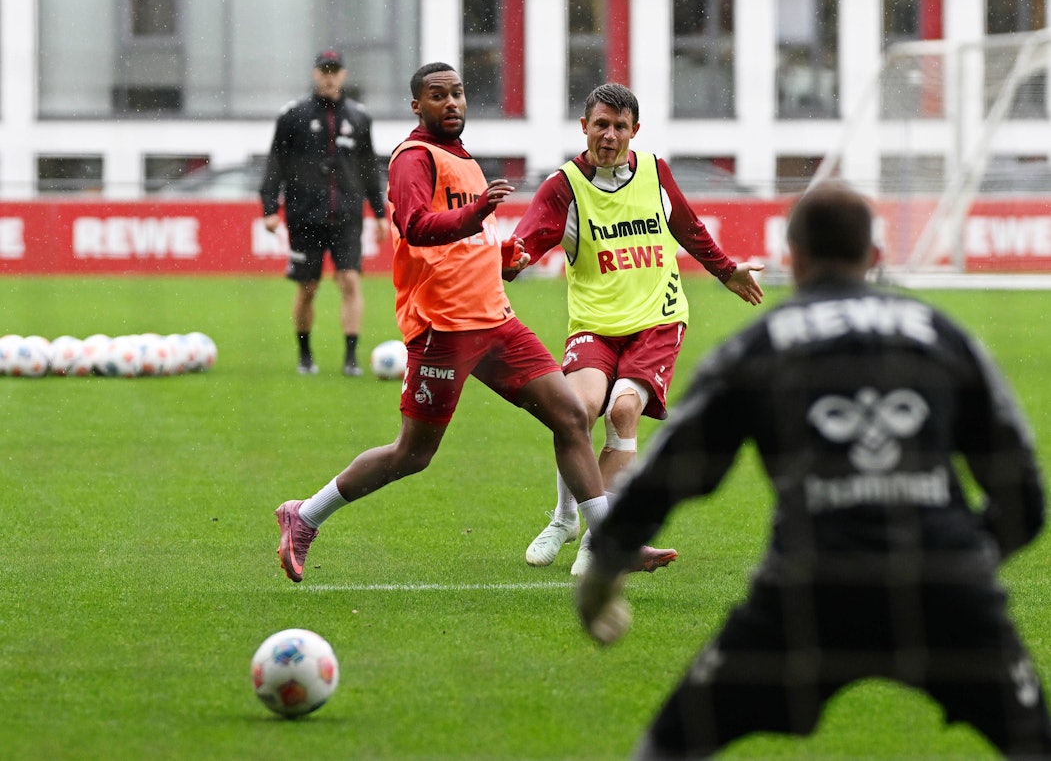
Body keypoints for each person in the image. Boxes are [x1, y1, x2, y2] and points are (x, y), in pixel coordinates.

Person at [577, 181, 1051, 758]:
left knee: (669, 746)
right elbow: (1024, 498)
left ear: (792, 261)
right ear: (874, 260)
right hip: (947, 593)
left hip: (806, 596)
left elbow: (664, 478)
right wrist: (957, 560)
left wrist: (600, 586)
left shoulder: (758, 347)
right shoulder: (946, 338)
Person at [273, 62, 675, 583]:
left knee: (572, 416)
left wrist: (506, 250)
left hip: (496, 320)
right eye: (437, 96)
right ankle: (304, 515)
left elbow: (471, 239)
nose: (452, 103)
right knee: (412, 454)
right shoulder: (413, 158)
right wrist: (477, 213)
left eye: (458, 93)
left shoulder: (463, 159)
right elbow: (417, 227)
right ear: (417, 106)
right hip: (444, 328)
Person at [508, 82, 764, 576]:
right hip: (594, 327)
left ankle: (594, 541)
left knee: (623, 410)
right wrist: (508, 261)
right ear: (584, 127)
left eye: (619, 126)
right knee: (577, 410)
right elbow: (526, 242)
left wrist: (725, 269)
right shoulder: (564, 186)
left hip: (657, 322)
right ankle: (565, 519)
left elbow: (687, 227)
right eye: (600, 124)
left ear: (635, 131)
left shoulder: (654, 172)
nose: (609, 135)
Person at [260, 49, 390, 376]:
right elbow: (276, 162)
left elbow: (368, 168)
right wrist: (269, 208)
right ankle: (305, 354)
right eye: (324, 70)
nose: (329, 76)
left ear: (343, 74)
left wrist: (379, 212)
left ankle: (350, 358)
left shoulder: (359, 117)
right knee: (308, 287)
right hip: (305, 216)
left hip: (347, 215)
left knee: (349, 281)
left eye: (334, 70)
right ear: (316, 73)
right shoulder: (293, 116)